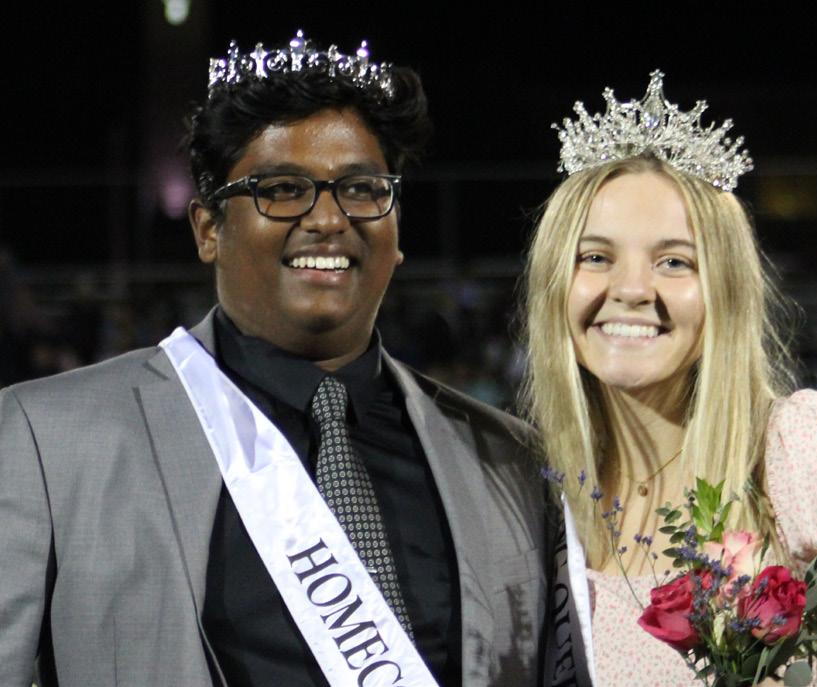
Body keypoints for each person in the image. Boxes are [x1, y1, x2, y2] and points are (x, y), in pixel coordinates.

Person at [0, 32, 548, 686]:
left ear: (397, 226)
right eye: (283, 189)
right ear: (208, 229)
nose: (328, 219)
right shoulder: (47, 439)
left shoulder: (507, 457)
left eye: (362, 188)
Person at [526, 72, 817, 686]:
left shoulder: (801, 448)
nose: (632, 288)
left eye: (674, 261)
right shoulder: (531, 492)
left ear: (725, 290)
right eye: (595, 257)